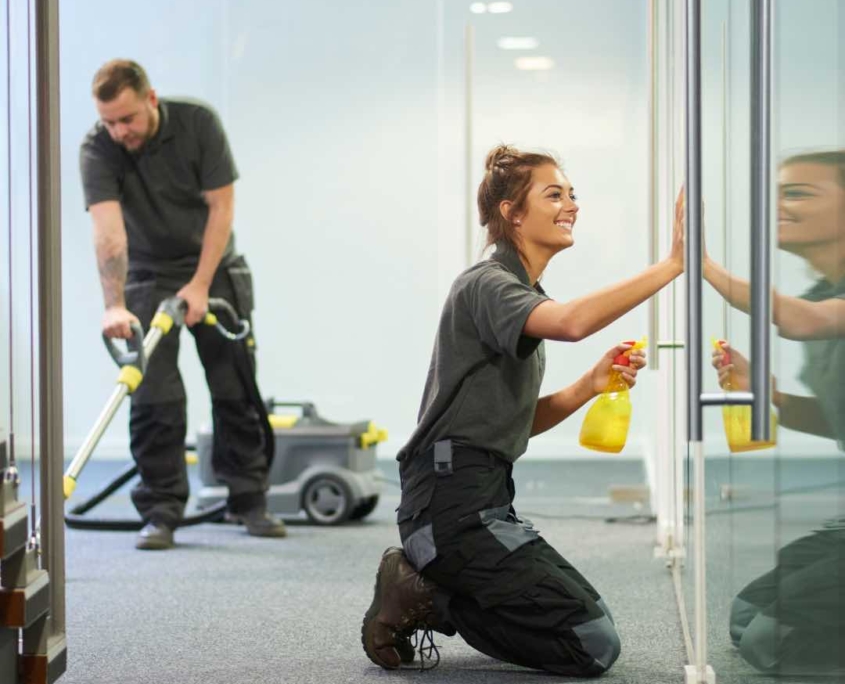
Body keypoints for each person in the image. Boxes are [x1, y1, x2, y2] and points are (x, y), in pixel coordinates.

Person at [361, 145, 685, 675]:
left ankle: (435, 586)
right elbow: (573, 322)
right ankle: (423, 592)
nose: (571, 204)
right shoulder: (487, 283)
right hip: (448, 509)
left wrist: (588, 385)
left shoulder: (520, 289)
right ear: (512, 212)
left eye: (572, 194)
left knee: (590, 625)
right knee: (591, 644)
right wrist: (672, 265)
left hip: (483, 500)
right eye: (553, 194)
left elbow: (507, 423)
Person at [79, 59, 286, 550]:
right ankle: (161, 511)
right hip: (147, 276)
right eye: (109, 121)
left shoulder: (198, 124)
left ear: (150, 99)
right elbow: (108, 233)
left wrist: (200, 284)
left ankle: (247, 500)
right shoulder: (98, 147)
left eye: (126, 118)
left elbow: (222, 208)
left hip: (213, 267)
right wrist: (114, 304)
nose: (118, 130)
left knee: (235, 388)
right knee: (154, 399)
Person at [707, 150, 845, 675]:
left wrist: (700, 265)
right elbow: (840, 421)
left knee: (778, 640)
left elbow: (802, 320)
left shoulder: (815, 309)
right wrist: (775, 399)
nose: (778, 205)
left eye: (798, 193)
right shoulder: (824, 292)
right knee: (749, 616)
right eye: (777, 192)